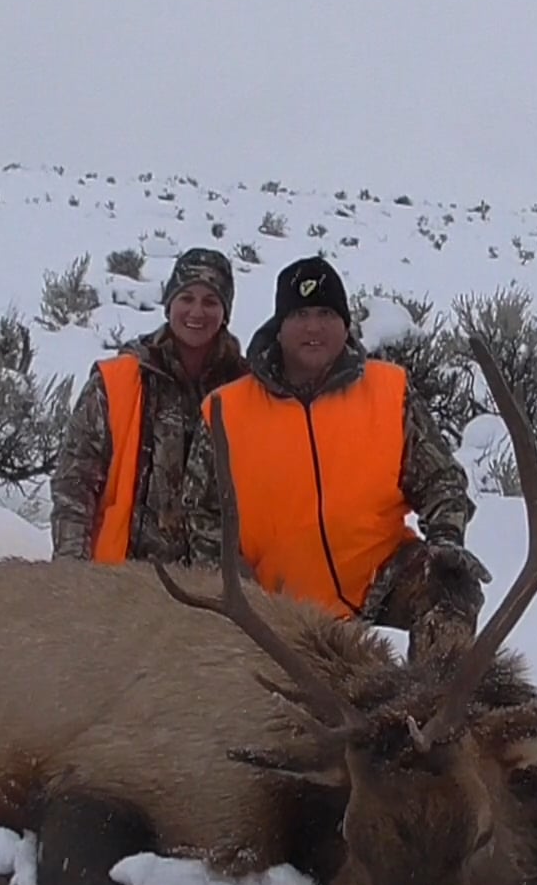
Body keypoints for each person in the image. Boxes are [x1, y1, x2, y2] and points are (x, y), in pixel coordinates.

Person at [183, 255, 491, 664]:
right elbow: (202, 516)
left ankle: (432, 709)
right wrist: (242, 589)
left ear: (345, 324)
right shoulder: (225, 410)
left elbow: (442, 482)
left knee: (452, 588)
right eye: (301, 314)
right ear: (280, 328)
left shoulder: (389, 390)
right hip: (276, 601)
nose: (314, 327)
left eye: (326, 313)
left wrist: (446, 538)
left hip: (382, 578)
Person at [50, 247, 249, 563]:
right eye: (186, 299)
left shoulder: (246, 390)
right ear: (169, 305)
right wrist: (71, 568)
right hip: (123, 583)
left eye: (211, 301)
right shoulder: (119, 381)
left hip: (215, 589)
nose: (197, 312)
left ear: (225, 312)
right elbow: (74, 483)